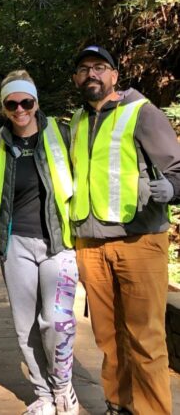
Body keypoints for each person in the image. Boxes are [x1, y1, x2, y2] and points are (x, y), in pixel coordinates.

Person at [69, 46, 180, 415]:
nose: (92, 75)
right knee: (107, 336)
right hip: (90, 242)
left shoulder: (142, 113)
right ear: (76, 79)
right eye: (84, 69)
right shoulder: (76, 122)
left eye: (100, 67)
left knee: (146, 337)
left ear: (115, 75)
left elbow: (176, 168)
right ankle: (118, 403)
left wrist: (172, 189)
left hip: (140, 239)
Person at [0, 71, 79, 415]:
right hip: (16, 245)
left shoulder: (61, 133)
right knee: (24, 325)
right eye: (12, 104)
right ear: (5, 107)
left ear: (36, 102)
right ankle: (43, 394)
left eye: (26, 102)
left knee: (56, 321)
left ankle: (63, 387)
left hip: (59, 242)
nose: (20, 109)